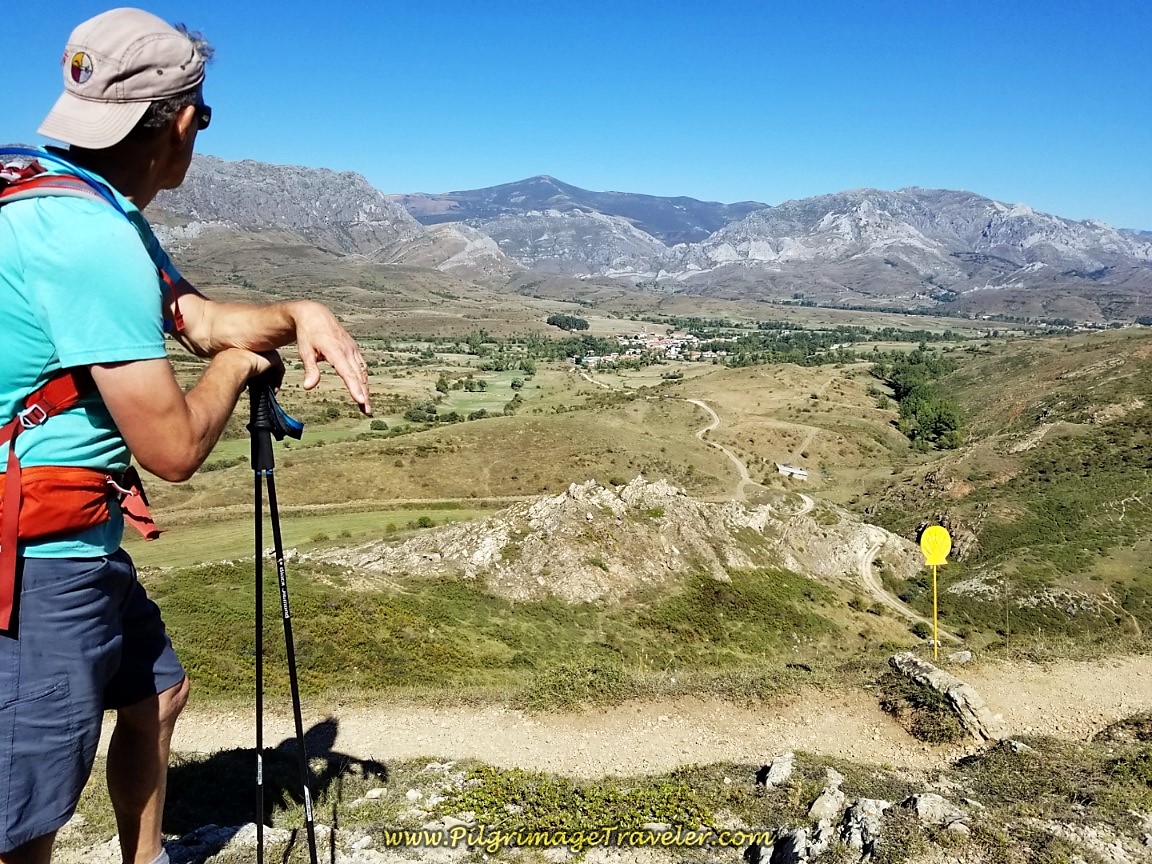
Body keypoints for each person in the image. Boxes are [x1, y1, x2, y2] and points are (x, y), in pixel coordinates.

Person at [0, 8, 371, 864]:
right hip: (34, 561)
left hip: (73, 541)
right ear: (179, 122)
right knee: (25, 821)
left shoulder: (67, 191)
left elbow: (196, 316)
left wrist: (292, 315)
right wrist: (241, 371)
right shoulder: (91, 237)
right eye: (203, 118)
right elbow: (170, 450)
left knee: (158, 695)